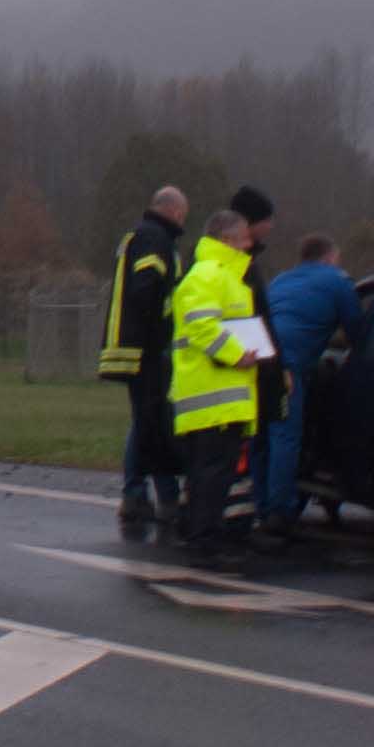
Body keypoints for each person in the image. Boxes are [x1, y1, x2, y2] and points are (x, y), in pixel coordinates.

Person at [163, 207, 268, 569]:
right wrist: (238, 355)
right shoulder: (208, 275)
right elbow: (202, 327)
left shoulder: (223, 277)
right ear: (226, 239)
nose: (249, 245)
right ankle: (204, 541)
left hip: (221, 397)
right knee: (211, 474)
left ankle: (203, 535)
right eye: (244, 239)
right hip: (211, 397)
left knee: (212, 474)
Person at [256, 234, 370, 539]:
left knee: (261, 438)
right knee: (285, 437)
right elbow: (359, 333)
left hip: (258, 360)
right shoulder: (337, 281)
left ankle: (260, 504)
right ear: (330, 257)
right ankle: (279, 513)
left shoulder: (281, 279)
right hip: (288, 367)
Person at [96, 184, 191, 536]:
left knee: (145, 421)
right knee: (155, 423)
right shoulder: (155, 238)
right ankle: (160, 496)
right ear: (174, 211)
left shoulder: (140, 235)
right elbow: (148, 288)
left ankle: (137, 495)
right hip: (146, 350)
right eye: (183, 214)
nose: (183, 220)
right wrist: (166, 330)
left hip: (132, 348)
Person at [225, 184, 282, 523]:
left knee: (235, 452)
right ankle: (233, 523)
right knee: (234, 452)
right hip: (236, 371)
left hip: (243, 369)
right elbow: (251, 318)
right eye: (266, 219)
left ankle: (223, 518)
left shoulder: (244, 263)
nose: (271, 226)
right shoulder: (236, 266)